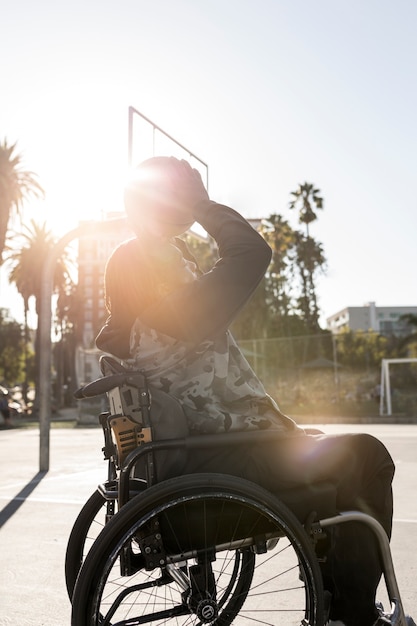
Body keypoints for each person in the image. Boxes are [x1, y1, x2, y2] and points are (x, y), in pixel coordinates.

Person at [96, 156, 413, 626]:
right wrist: (199, 204)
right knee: (368, 457)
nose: (187, 261)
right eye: (177, 257)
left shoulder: (134, 316)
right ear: (157, 272)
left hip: (204, 454)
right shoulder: (170, 310)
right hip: (223, 460)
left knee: (322, 448)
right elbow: (251, 252)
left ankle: (334, 600)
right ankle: (351, 615)